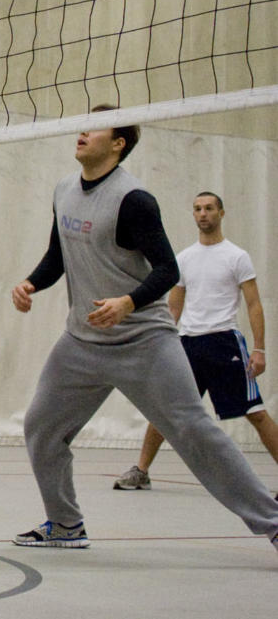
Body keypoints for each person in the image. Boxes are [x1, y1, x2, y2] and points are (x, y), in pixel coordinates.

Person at [8, 107, 278, 554]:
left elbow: (168, 270)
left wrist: (127, 302)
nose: (81, 131)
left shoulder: (134, 200)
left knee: (192, 429)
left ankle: (272, 522)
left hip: (144, 341)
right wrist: (30, 284)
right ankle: (65, 524)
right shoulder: (63, 191)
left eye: (94, 127)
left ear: (118, 143)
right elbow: (58, 255)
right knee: (41, 427)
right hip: (81, 342)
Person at [113, 191, 278, 491]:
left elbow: (254, 304)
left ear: (221, 213)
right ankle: (141, 471)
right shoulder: (184, 259)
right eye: (198, 209)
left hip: (224, 343)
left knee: (255, 412)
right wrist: (160, 344)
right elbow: (173, 308)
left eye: (209, 208)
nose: (203, 214)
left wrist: (259, 349)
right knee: (164, 408)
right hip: (187, 345)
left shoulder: (237, 256)